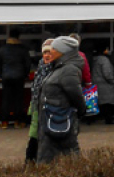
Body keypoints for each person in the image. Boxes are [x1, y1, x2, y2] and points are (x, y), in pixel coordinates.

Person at [36, 35, 88, 164]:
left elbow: (76, 96)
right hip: (51, 119)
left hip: (60, 120)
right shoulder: (59, 67)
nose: (50, 51)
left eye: (53, 48)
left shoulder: (68, 70)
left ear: (62, 51)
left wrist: (78, 112)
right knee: (49, 156)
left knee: (68, 156)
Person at [0, 31, 31, 128]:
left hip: (6, 77)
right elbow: (27, 64)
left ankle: (4, 122)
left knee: (6, 99)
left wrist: (1, 75)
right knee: (19, 99)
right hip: (19, 77)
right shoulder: (23, 49)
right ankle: (18, 121)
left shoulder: (2, 49)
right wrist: (25, 74)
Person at [25, 39, 54, 162]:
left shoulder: (56, 69)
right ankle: (30, 160)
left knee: (46, 137)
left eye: (49, 53)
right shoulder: (40, 67)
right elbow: (35, 89)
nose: (46, 56)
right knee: (34, 136)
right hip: (37, 106)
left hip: (49, 108)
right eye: (44, 53)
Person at [91, 42, 114, 124]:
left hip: (95, 83)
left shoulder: (93, 59)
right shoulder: (104, 60)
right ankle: (108, 119)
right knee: (107, 103)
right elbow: (107, 73)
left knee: (96, 102)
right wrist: (112, 81)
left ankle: (91, 119)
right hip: (105, 84)